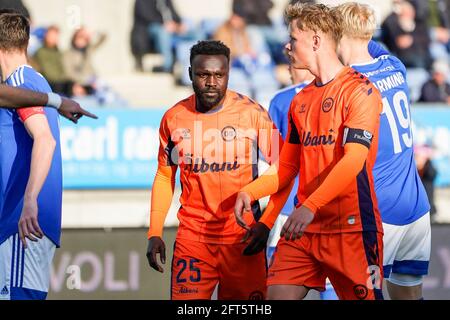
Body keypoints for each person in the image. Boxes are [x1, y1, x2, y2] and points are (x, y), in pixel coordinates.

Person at [235, 3, 384, 300]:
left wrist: (310, 206)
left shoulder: (361, 92)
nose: (287, 46)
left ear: (315, 41)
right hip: (303, 232)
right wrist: (250, 192)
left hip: (351, 229)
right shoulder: (299, 101)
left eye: (293, 38)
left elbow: (354, 160)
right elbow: (287, 167)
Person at [146, 40, 292, 300]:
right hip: (193, 242)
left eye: (219, 75)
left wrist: (266, 223)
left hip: (243, 240)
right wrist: (155, 231)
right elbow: (164, 175)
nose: (211, 82)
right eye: (203, 75)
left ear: (228, 75)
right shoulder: (173, 118)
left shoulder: (253, 114)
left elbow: (284, 170)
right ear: (190, 73)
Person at [336, 2, 432, 300]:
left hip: (380, 210)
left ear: (340, 35)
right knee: (409, 294)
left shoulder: (348, 85)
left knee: (364, 294)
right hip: (415, 207)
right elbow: (370, 46)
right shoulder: (394, 66)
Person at [0, 12, 62, 300]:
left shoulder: (20, 82)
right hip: (20, 225)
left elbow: (44, 140)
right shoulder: (34, 80)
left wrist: (29, 202)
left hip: (21, 226)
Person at [266, 59, 314, 261]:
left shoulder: (281, 100)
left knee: (278, 275)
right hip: (327, 204)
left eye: (290, 65)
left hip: (288, 204)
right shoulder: (342, 91)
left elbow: (271, 157)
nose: (288, 70)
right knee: (331, 285)